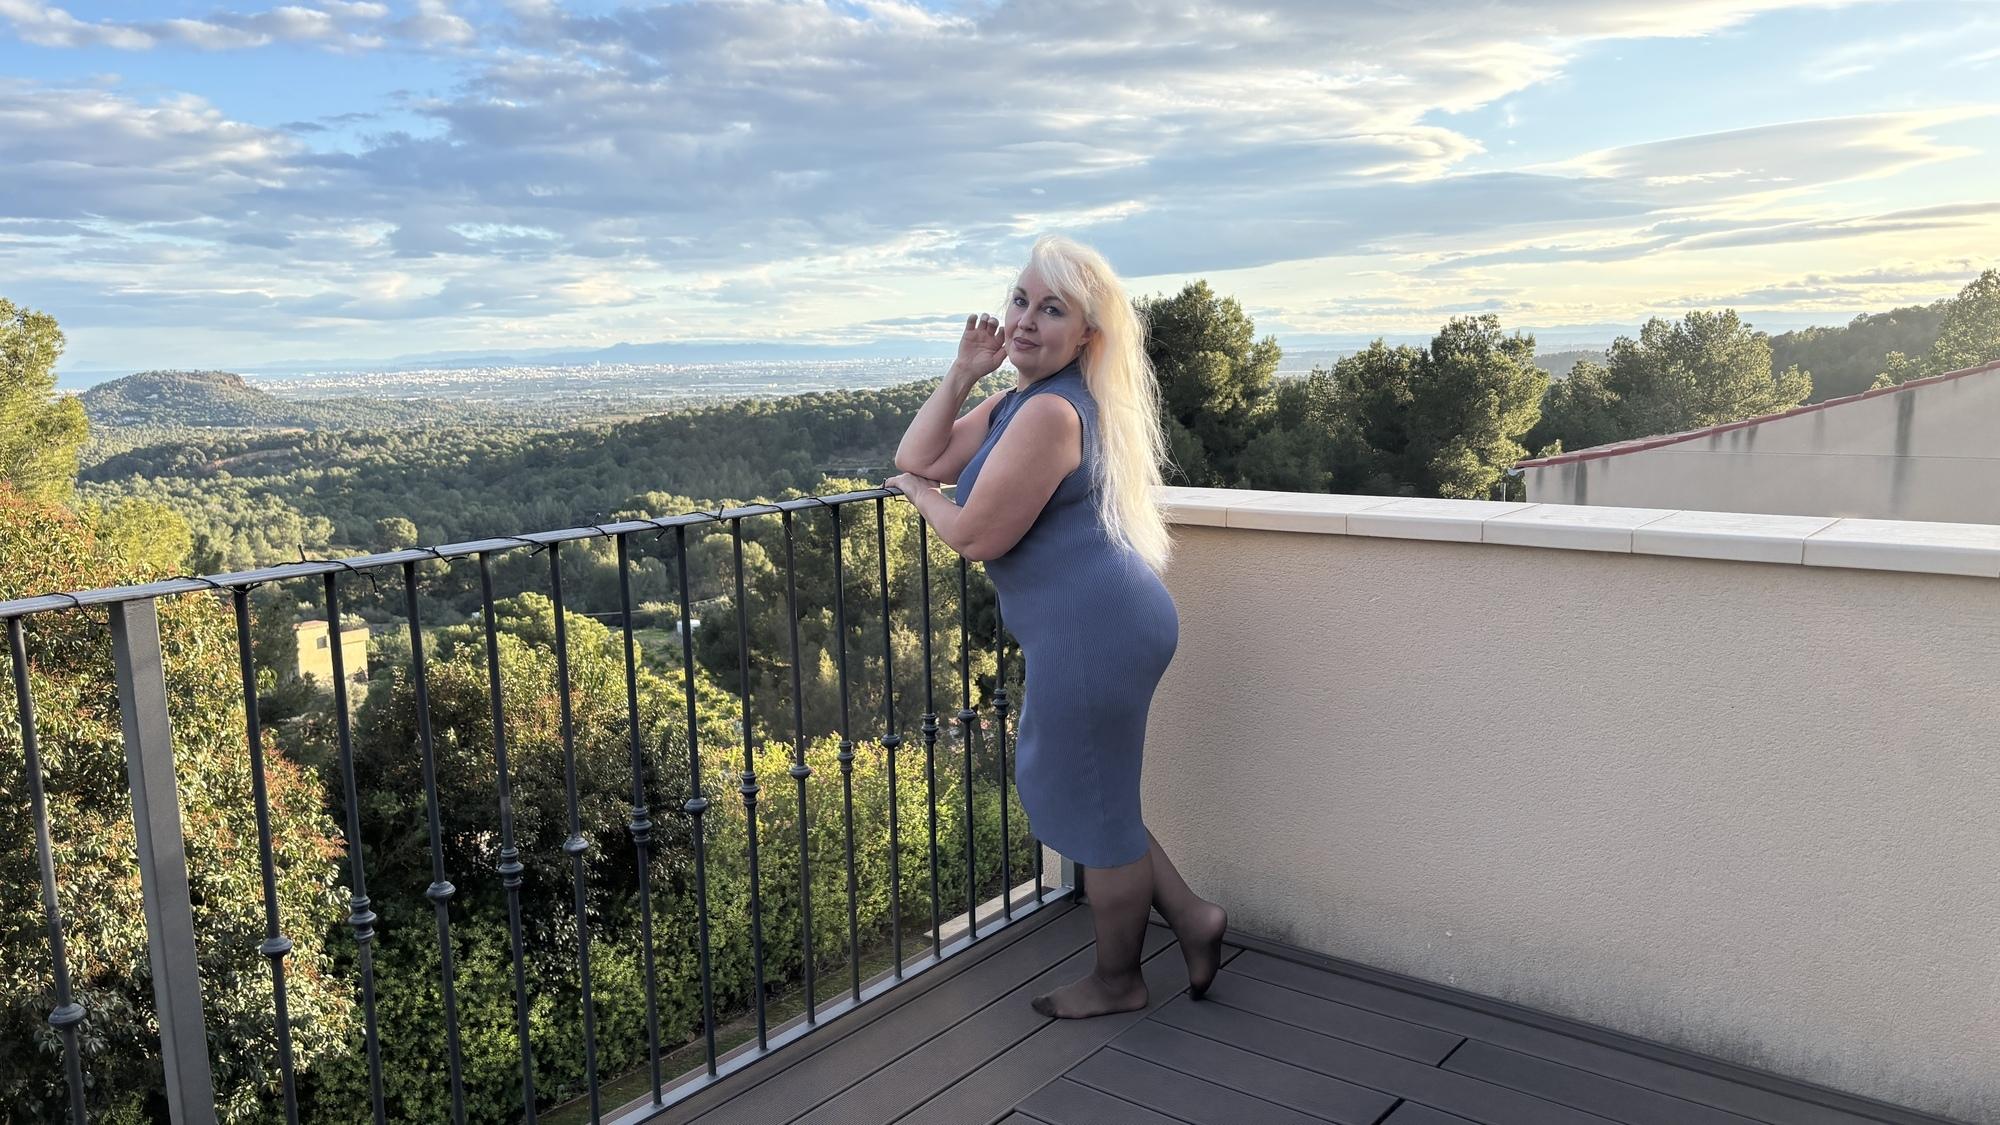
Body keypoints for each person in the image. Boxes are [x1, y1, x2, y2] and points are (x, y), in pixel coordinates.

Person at [885, 234, 1228, 1018]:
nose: (1025, 320)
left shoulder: (1048, 412)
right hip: (1101, 625)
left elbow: (975, 533)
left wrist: (922, 498)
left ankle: (1119, 980)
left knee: (1095, 810)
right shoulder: (1020, 400)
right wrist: (963, 372)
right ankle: (1192, 917)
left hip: (1093, 634)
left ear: (1086, 336)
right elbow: (922, 451)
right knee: (1096, 794)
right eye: (1020, 300)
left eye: (1051, 309)